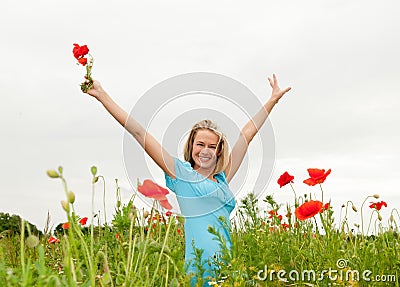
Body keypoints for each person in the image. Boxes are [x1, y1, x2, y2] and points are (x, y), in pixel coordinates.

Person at [84, 74, 291, 286]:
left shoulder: (223, 177)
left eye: (212, 146)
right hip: (198, 269)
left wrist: (273, 99)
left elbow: (246, 134)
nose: (205, 151)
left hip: (227, 267)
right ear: (191, 145)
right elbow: (139, 133)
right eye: (200, 144)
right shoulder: (180, 173)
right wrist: (102, 95)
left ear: (219, 151)